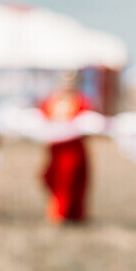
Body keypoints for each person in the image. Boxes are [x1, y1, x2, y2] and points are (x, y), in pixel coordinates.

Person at [39, 71, 92, 223]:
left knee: (72, 182)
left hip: (73, 149)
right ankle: (58, 212)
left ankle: (69, 214)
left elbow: (87, 125)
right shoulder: (51, 101)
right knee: (54, 179)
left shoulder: (80, 101)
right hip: (56, 149)